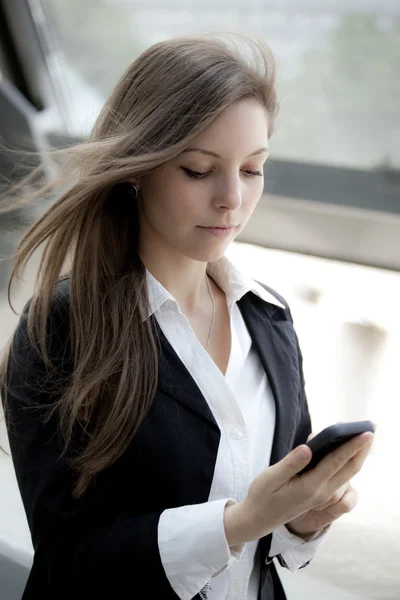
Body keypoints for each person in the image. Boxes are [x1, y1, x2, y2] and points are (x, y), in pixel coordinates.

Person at [0, 33, 375, 600]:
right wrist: (238, 521)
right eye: (199, 170)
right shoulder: (61, 328)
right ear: (138, 168)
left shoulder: (268, 318)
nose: (231, 198)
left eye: (252, 169)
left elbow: (269, 544)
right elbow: (67, 564)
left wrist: (302, 519)